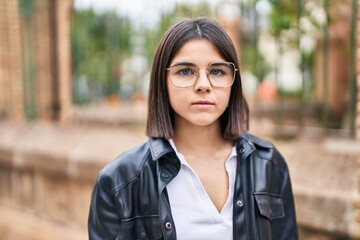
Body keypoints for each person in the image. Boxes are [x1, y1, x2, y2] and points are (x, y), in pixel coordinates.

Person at [88, 17, 298, 240]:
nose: (203, 85)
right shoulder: (118, 182)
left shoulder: (269, 165)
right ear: (163, 81)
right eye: (185, 71)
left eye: (217, 71)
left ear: (233, 81)